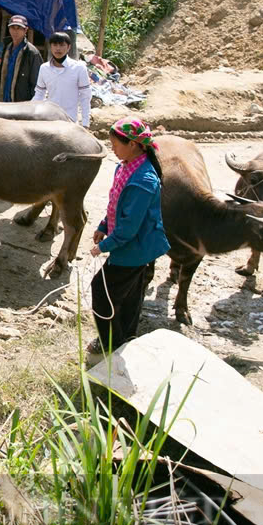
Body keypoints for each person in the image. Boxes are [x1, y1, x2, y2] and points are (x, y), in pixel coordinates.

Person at [88, 117, 170, 355]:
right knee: (131, 296)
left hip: (135, 248)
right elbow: (116, 203)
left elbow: (129, 227)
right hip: (136, 245)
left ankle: (109, 342)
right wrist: (104, 225)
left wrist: (104, 246)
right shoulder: (125, 167)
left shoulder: (143, 180)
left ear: (133, 144)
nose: (112, 148)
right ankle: (127, 338)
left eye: (115, 144)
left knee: (101, 293)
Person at [33, 32, 91, 127]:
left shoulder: (79, 68)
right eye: (55, 45)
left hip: (70, 122)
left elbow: (85, 96)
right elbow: (39, 94)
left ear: (68, 47)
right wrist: (31, 114)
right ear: (50, 47)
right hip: (49, 121)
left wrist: (85, 122)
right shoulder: (44, 68)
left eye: (62, 45)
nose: (58, 48)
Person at [0, 14, 42, 102]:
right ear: (9, 29)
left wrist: (33, 104)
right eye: (12, 27)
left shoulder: (31, 53)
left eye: (19, 28)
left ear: (25, 30)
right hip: (4, 99)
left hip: (21, 105)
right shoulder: (7, 47)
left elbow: (37, 83)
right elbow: (3, 70)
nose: (15, 31)